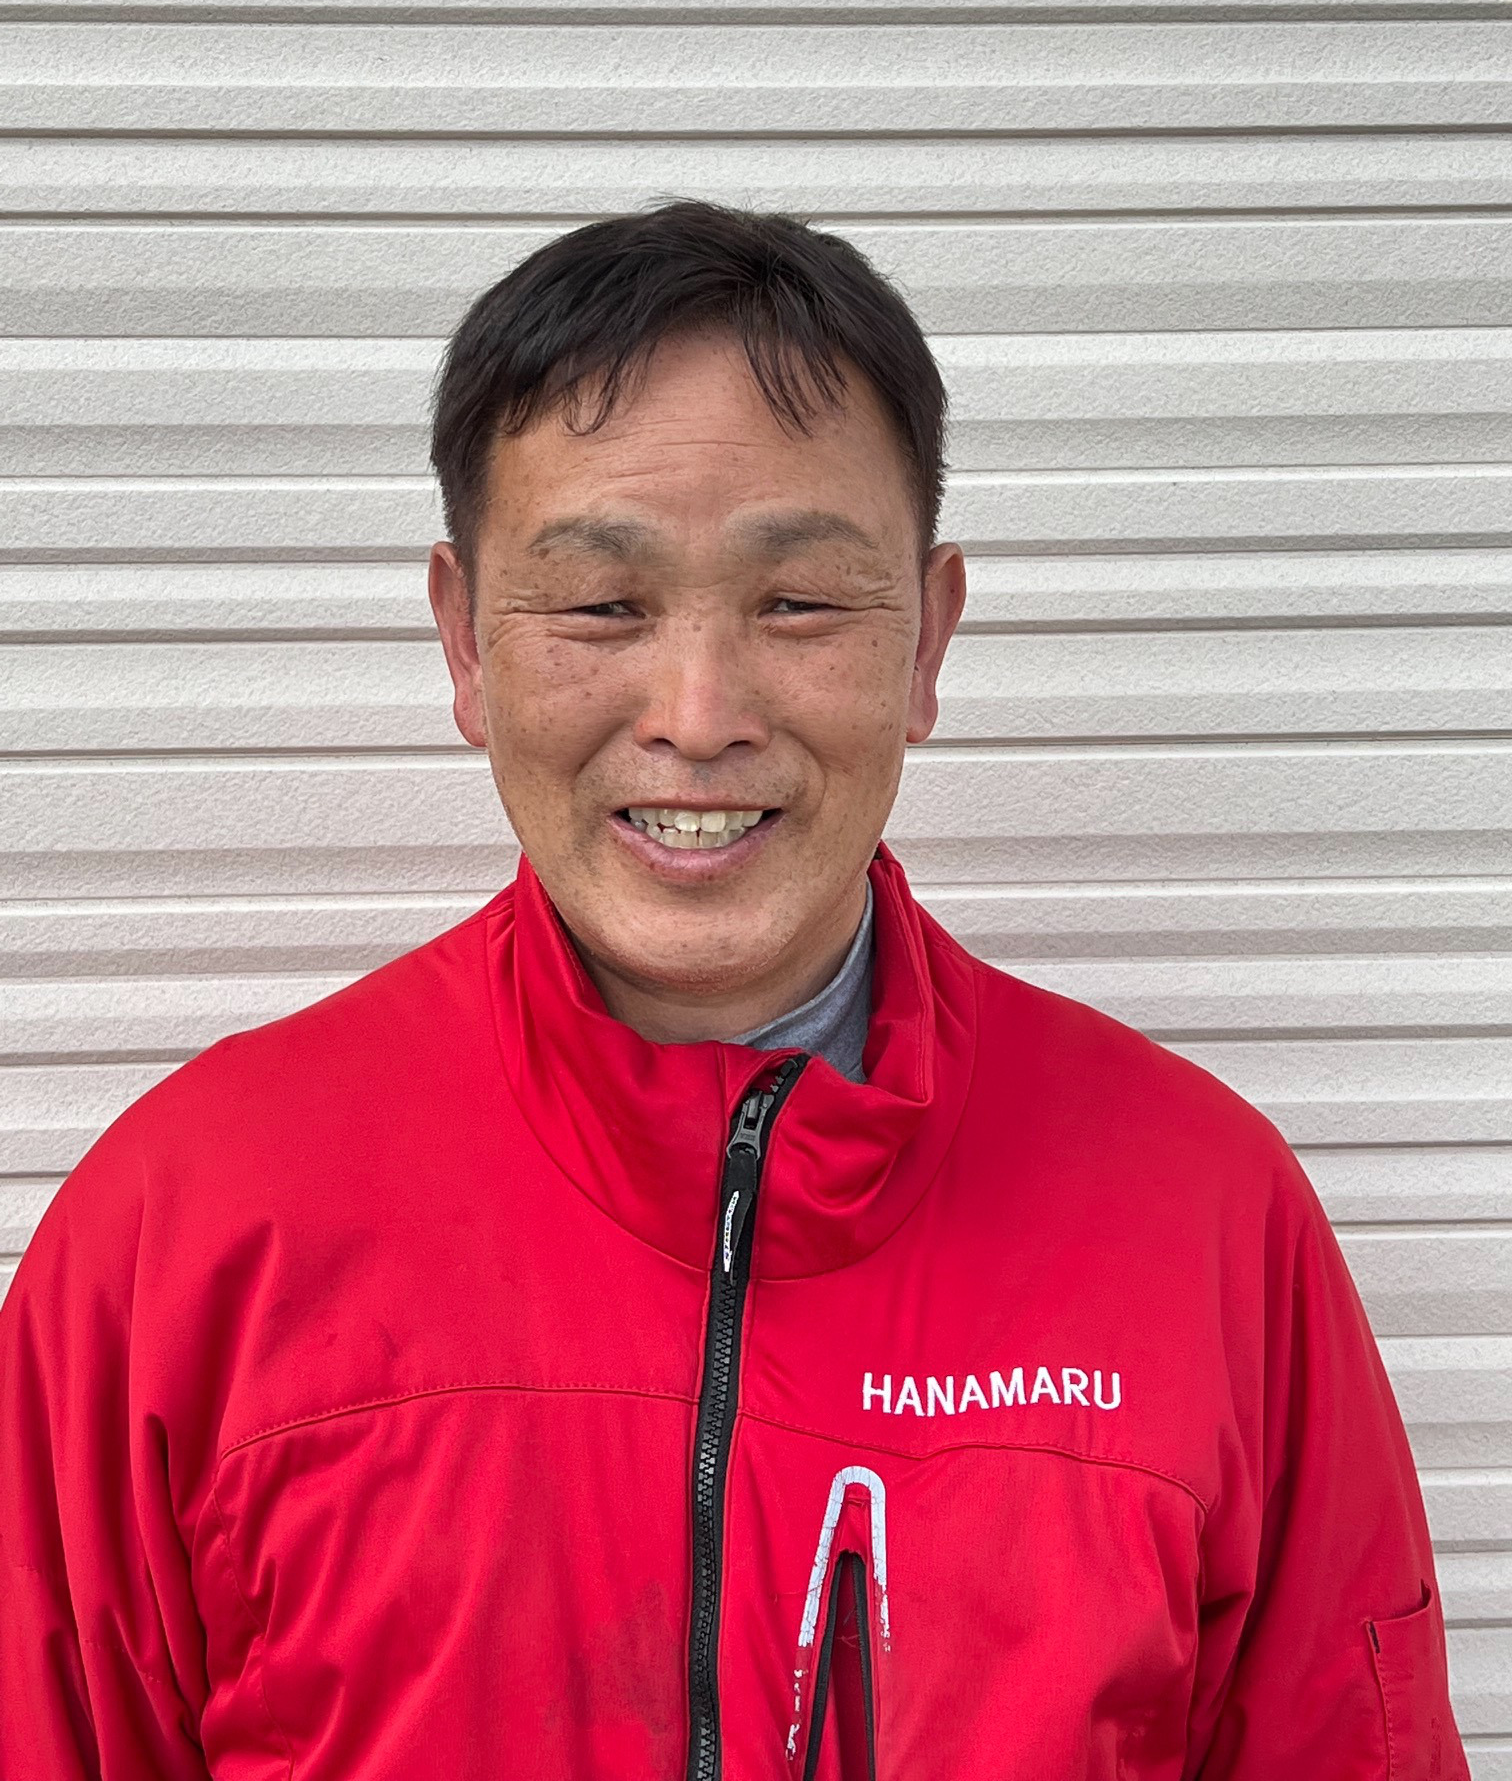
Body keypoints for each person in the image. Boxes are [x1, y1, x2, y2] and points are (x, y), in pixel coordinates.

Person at [0, 202, 1466, 1779]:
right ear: (466, 643)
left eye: (800, 602)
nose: (699, 717)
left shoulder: (1204, 1219)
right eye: (602, 606)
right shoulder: (194, 1226)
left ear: (929, 639)